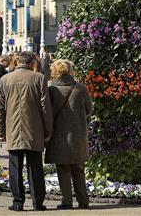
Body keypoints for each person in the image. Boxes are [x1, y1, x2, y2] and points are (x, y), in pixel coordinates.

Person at [0, 51, 53, 212]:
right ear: (32, 62)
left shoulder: (5, 79)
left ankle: (18, 202)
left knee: (15, 167)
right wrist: (48, 129)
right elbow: (45, 107)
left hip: (13, 129)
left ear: (17, 61)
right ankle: (37, 202)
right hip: (34, 129)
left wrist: (1, 130)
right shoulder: (39, 78)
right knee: (35, 167)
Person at [45, 59, 92, 210]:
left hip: (59, 135)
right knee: (78, 168)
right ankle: (83, 201)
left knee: (63, 168)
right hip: (77, 134)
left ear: (55, 71)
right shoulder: (80, 88)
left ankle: (67, 201)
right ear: (70, 71)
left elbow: (48, 113)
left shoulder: (52, 90)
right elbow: (89, 109)